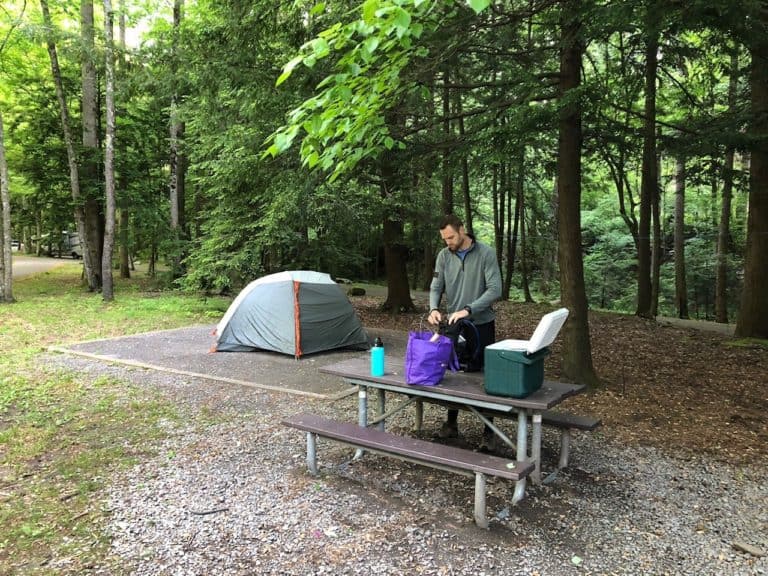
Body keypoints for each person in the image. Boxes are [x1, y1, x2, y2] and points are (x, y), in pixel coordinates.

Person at [427, 214, 502, 451]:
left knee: (485, 377)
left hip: (481, 323)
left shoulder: (485, 253)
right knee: (453, 372)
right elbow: (436, 285)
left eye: (450, 237)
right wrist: (433, 308)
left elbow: (495, 289)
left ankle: (489, 433)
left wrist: (469, 309)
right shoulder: (443, 256)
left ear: (462, 230)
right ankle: (451, 424)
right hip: (451, 323)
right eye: (444, 238)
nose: (447, 242)